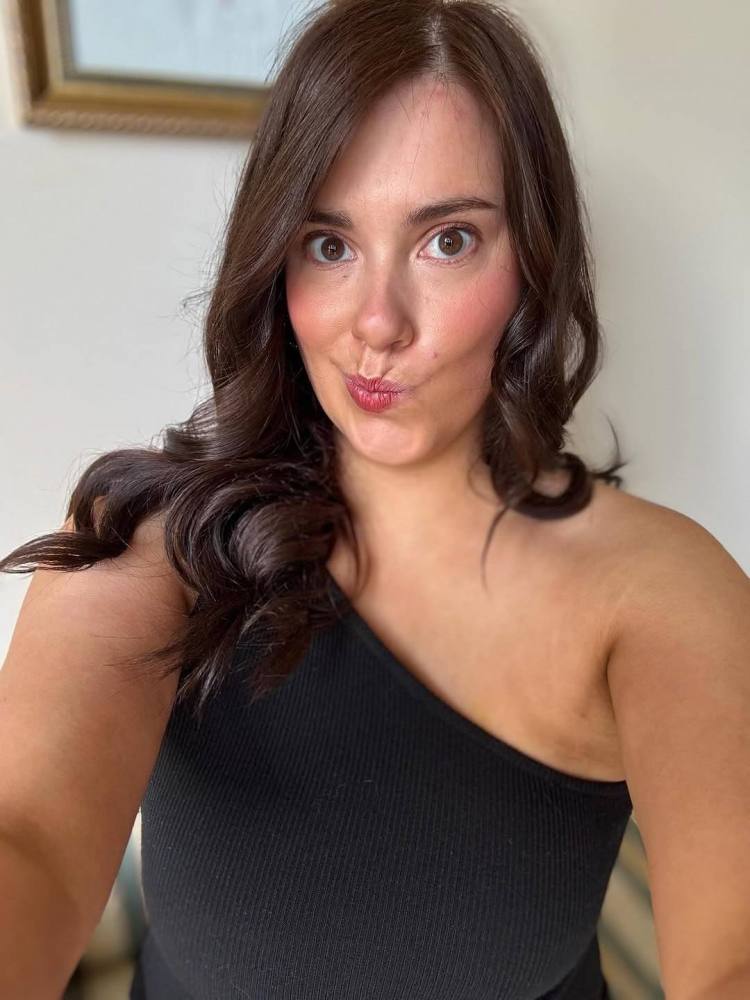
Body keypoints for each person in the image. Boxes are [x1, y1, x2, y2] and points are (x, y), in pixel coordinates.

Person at [2, 1, 749, 998]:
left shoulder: (656, 588)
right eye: (329, 244)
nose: (378, 323)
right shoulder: (159, 545)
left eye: (448, 240)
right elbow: (31, 836)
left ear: (532, 257)